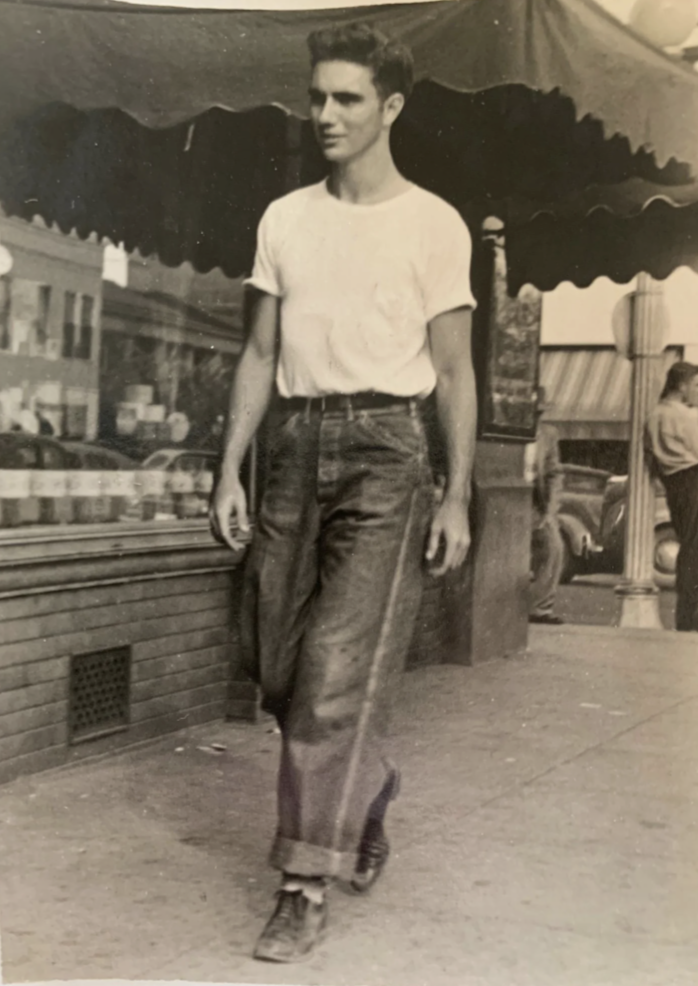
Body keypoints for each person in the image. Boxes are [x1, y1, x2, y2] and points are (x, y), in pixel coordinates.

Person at [210, 22, 477, 963]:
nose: (323, 113)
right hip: (291, 447)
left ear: (390, 107)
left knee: (333, 678)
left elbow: (454, 371)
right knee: (276, 665)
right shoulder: (286, 219)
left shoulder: (433, 223)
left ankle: (303, 883)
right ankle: (361, 788)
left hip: (387, 454)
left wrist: (455, 495)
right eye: (316, 96)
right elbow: (258, 352)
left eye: (347, 99)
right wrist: (229, 466)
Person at [646, 361, 698, 632]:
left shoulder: (655, 415)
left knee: (689, 546)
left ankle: (687, 616)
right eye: (696, 385)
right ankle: (691, 618)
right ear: (682, 385)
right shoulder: (687, 417)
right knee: (694, 549)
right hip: (693, 479)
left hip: (674, 484)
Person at [527, 387, 565, 625]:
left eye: (539, 412)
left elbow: (554, 473)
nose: (535, 417)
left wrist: (550, 511)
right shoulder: (506, 434)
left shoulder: (548, 434)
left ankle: (540, 608)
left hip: (534, 499)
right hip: (508, 494)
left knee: (554, 546)